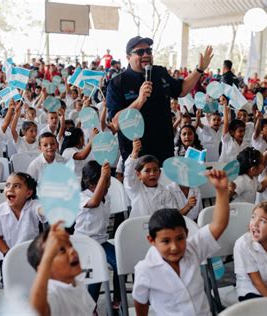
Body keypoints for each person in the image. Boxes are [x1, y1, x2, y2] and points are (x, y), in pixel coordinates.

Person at [132, 169, 230, 315]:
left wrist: (221, 191)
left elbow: (218, 225)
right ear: (151, 240)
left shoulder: (193, 249)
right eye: (165, 241)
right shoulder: (145, 269)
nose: (174, 247)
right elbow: (140, 302)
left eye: (180, 238)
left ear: (187, 234)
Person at [107, 36, 213, 164]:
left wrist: (199, 70)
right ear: (128, 57)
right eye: (140, 52)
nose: (146, 54)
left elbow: (182, 89)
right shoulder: (117, 83)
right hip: (137, 156)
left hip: (164, 150)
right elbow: (116, 123)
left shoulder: (159, 73)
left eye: (149, 51)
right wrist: (139, 101)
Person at [0, 172, 45, 282]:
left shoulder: (34, 205)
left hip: (32, 258)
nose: (10, 189)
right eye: (7, 185)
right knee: (12, 289)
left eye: (17, 186)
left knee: (36, 286)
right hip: (8, 258)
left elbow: (41, 209)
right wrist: (9, 255)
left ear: (28, 193)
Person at [76, 161, 121, 309]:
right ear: (88, 182)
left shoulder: (107, 197)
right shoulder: (81, 196)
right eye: (99, 182)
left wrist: (105, 178)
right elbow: (94, 202)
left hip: (101, 242)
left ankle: (118, 300)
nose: (104, 186)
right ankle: (91, 307)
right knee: (95, 270)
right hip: (84, 244)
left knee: (120, 262)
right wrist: (103, 176)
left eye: (107, 181)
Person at [28, 221, 95, 316]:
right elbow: (36, 311)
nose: (72, 250)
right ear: (45, 268)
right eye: (62, 250)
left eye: (70, 245)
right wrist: (48, 256)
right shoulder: (53, 292)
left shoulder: (77, 283)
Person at [124, 139, 177, 218]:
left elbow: (173, 213)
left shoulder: (165, 192)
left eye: (155, 170)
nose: (152, 174)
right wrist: (134, 153)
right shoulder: (135, 188)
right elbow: (129, 174)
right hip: (138, 226)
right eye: (147, 171)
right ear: (138, 174)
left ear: (160, 173)